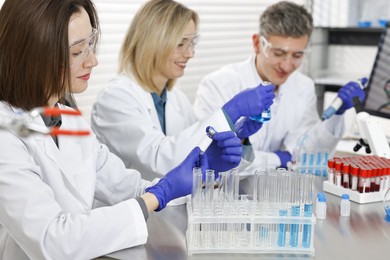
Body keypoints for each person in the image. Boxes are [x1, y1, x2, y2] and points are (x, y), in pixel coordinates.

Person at [0, 0, 242, 259]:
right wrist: (159, 195)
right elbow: (53, 240)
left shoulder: (70, 119)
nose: (93, 60)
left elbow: (129, 187)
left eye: (90, 45)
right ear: (34, 55)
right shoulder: (5, 136)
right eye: (77, 51)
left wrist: (194, 177)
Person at [91, 0, 275, 181]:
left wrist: (237, 136)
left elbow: (200, 158)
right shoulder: (115, 98)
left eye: (192, 42)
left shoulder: (177, 99)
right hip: (129, 208)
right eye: (181, 43)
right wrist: (231, 111)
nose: (190, 53)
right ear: (151, 43)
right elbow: (161, 157)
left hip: (170, 209)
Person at [193, 1, 366, 170]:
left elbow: (304, 152)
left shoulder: (303, 87)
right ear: (257, 44)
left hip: (276, 193)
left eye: (297, 55)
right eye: (278, 53)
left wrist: (337, 114)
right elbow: (210, 158)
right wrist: (278, 158)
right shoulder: (218, 86)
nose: (286, 65)